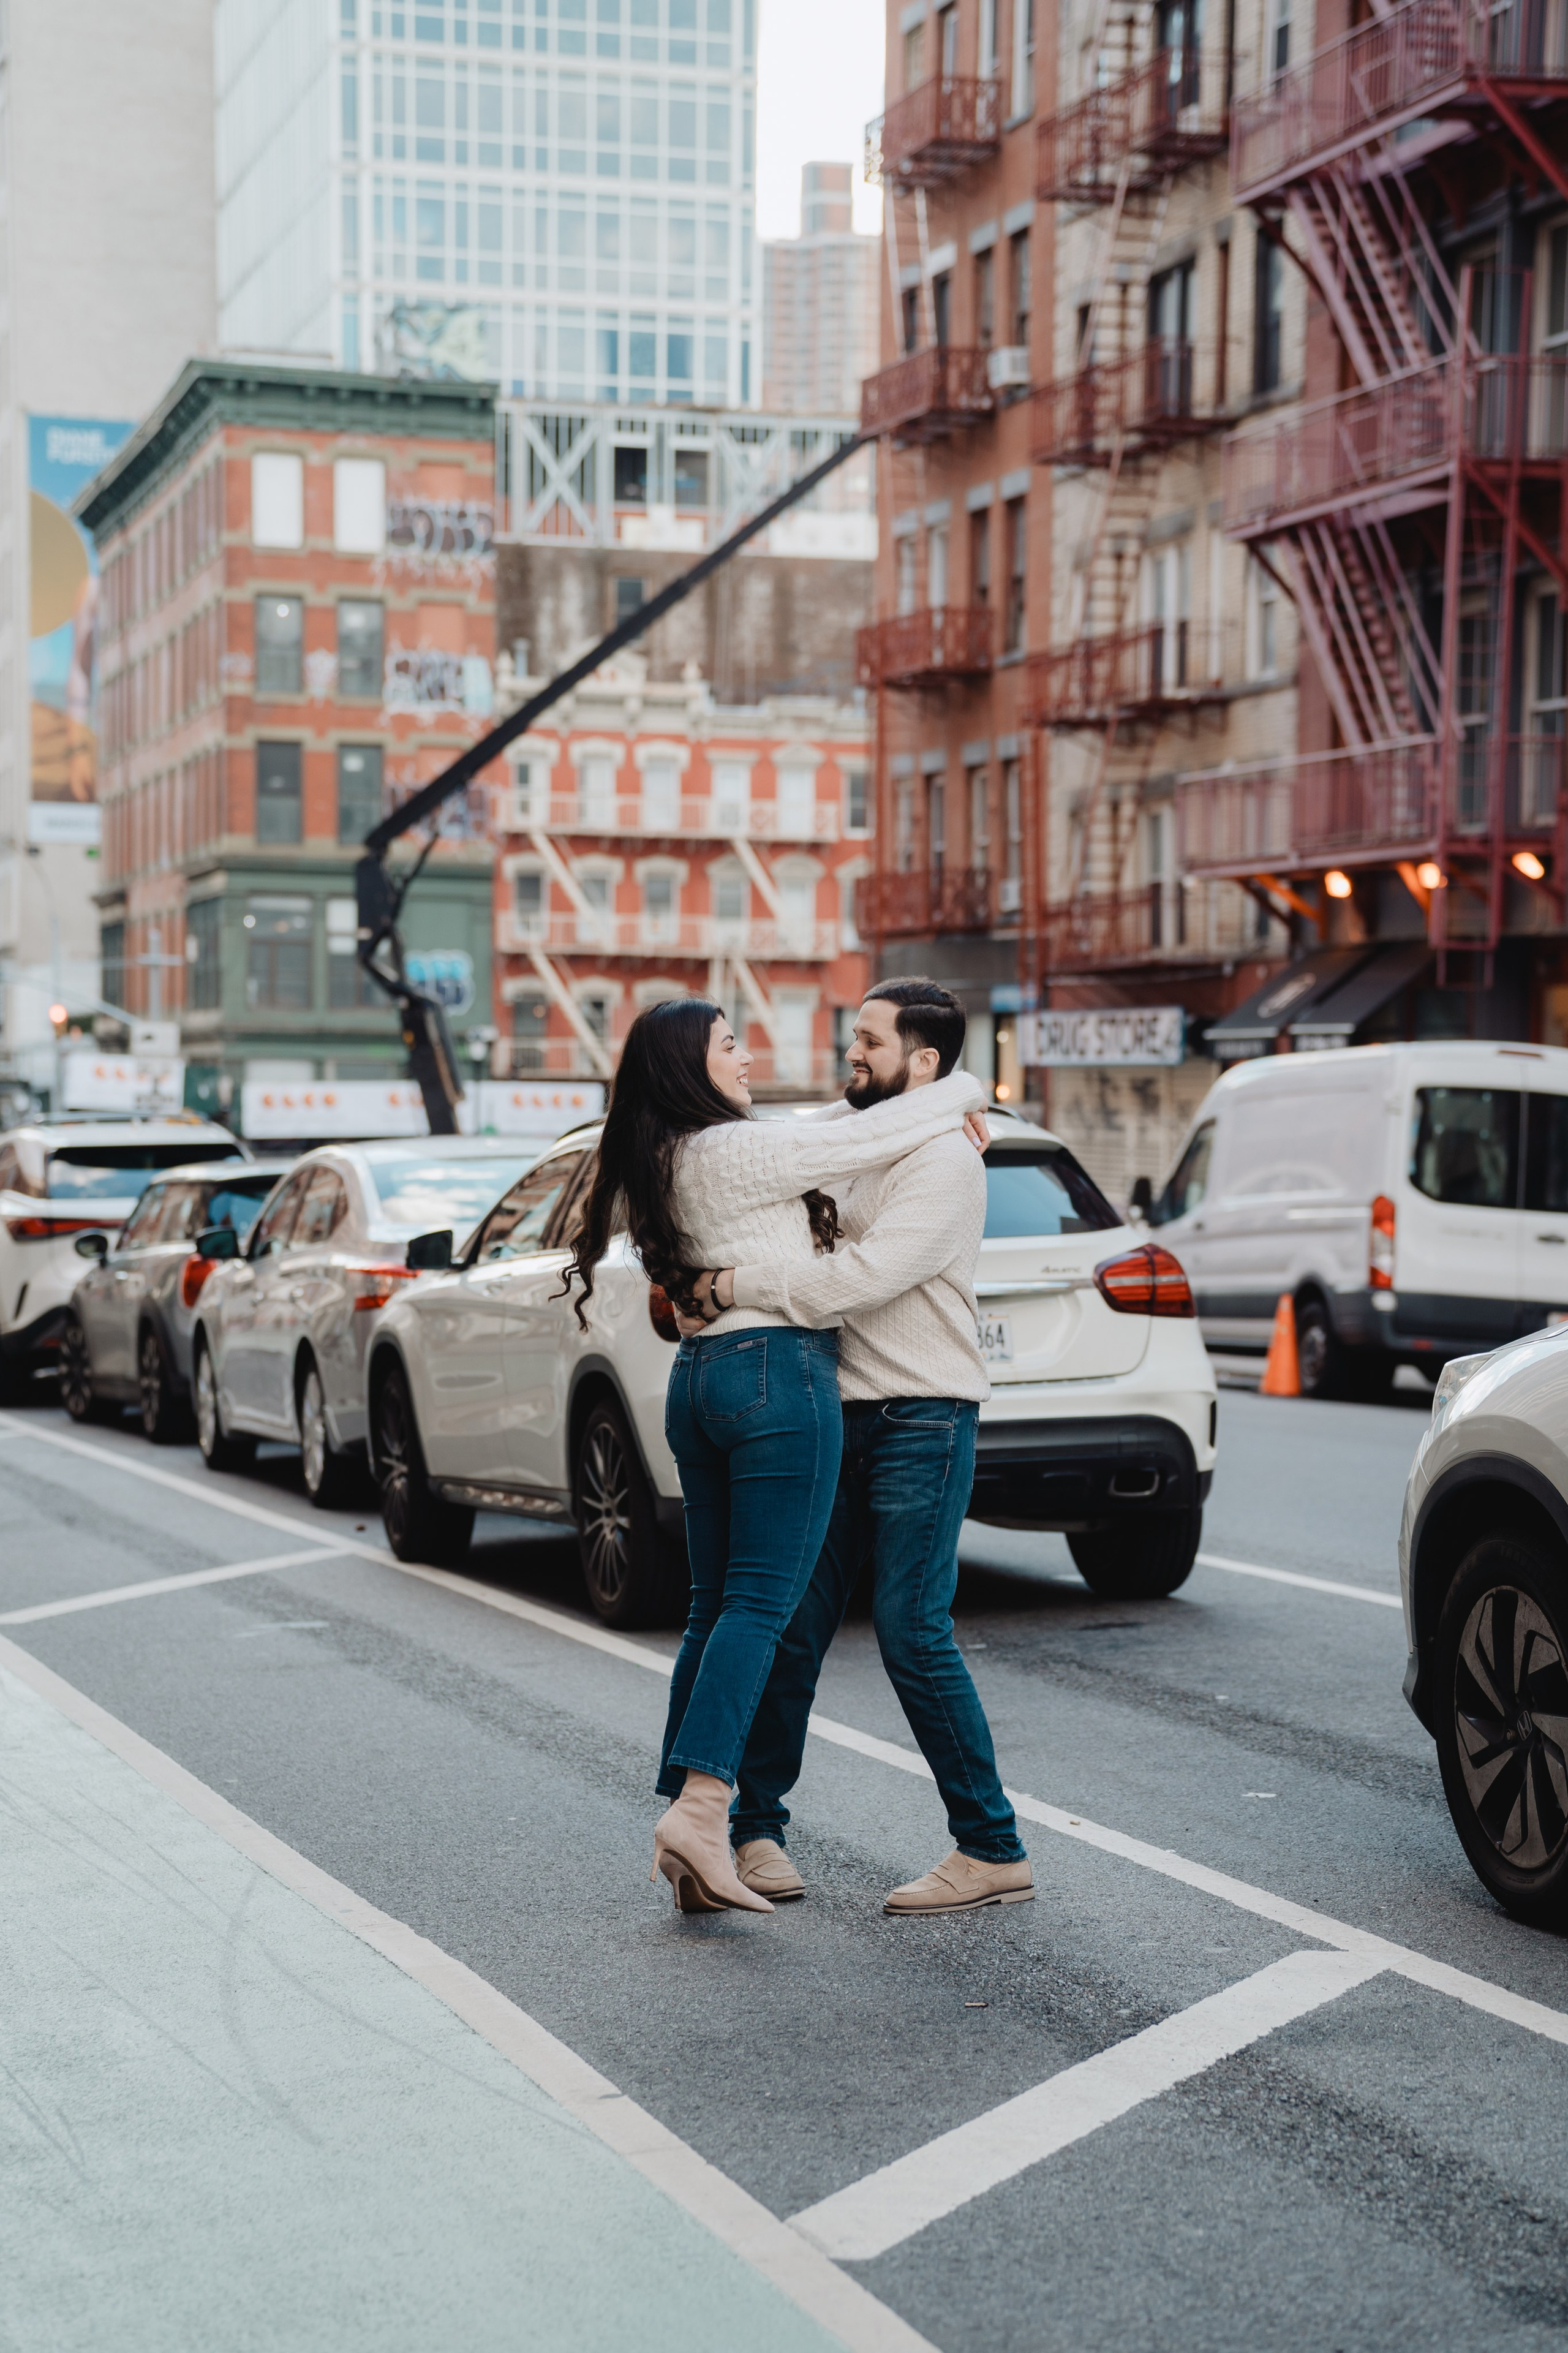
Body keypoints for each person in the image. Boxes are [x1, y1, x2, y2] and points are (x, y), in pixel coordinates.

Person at [565, 995, 987, 1917]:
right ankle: (711, 1812)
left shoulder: (677, 1147)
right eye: (729, 1045)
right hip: (776, 1376)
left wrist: (944, 1101)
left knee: (715, 1604)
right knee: (762, 1604)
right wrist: (968, 1086)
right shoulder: (740, 1149)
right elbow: (843, 1139)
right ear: (690, 1065)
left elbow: (839, 1127)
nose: (749, 1057)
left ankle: (698, 1814)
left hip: (706, 1376)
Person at [689, 979, 1032, 1916]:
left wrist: (734, 1284)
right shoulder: (854, 1132)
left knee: (912, 1629)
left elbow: (868, 1275)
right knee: (795, 1619)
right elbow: (778, 1155)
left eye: (870, 1043)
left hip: (925, 1413)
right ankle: (756, 1830)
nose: (854, 1055)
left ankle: (990, 1844)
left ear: (923, 1061)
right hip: (844, 1408)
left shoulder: (944, 1162)